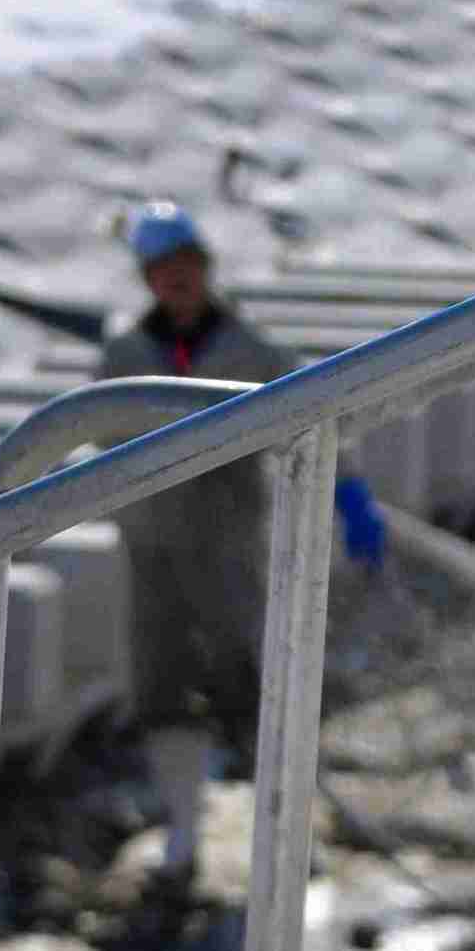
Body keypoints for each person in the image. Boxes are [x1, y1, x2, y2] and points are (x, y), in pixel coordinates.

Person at [94, 204, 293, 889]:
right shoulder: (125, 355)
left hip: (229, 550)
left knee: (253, 687)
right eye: (161, 271)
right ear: (147, 278)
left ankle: (286, 833)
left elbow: (313, 421)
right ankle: (182, 833)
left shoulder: (248, 350)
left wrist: (351, 497)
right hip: (152, 552)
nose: (175, 280)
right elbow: (101, 442)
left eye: (185, 267)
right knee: (163, 689)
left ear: (204, 269)